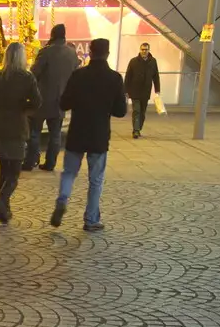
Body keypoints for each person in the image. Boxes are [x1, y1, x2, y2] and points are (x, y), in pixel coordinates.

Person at [50, 37, 126, 232]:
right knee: (96, 180)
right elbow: (120, 111)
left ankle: (62, 200)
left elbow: (64, 103)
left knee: (69, 172)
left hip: (77, 132)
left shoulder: (78, 75)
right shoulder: (115, 78)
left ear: (90, 53)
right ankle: (91, 219)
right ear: (107, 54)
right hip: (99, 135)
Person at [0, 41, 41, 223]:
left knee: (4, 170)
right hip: (17, 128)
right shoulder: (27, 78)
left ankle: (4, 210)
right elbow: (37, 101)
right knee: (14, 172)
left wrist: (0, 107)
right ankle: (2, 201)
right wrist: (23, 106)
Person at [24, 23, 79, 171]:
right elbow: (75, 74)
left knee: (34, 132)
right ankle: (50, 163)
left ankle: (30, 162)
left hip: (42, 99)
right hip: (61, 99)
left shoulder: (46, 52)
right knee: (55, 134)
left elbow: (34, 73)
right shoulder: (72, 53)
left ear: (52, 35)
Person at [124, 41, 160, 137]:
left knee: (142, 112)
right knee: (136, 110)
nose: (144, 51)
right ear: (140, 50)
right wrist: (125, 91)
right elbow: (128, 76)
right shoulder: (133, 61)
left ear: (149, 50)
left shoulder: (153, 61)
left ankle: (138, 128)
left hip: (146, 91)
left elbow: (156, 76)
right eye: (142, 49)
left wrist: (157, 90)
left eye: (146, 50)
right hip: (135, 90)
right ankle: (135, 130)